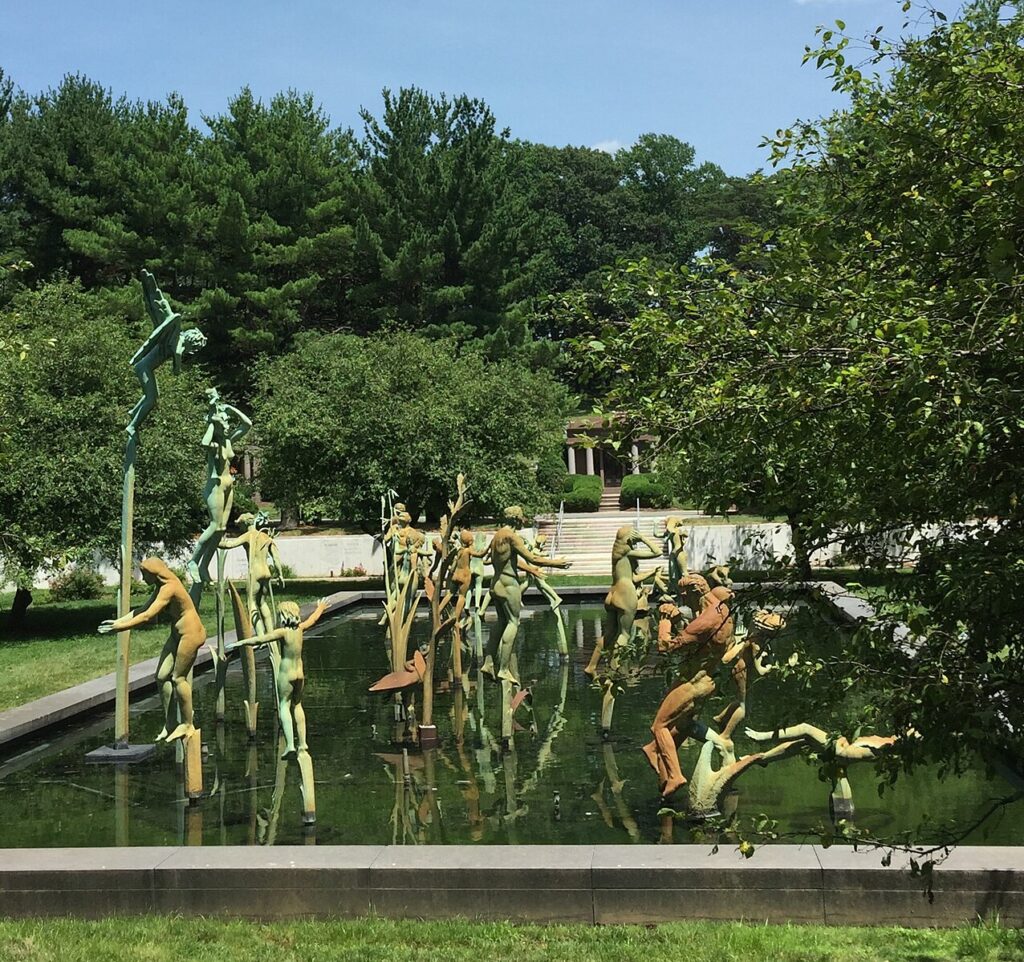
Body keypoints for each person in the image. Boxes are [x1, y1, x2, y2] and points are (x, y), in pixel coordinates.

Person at [99, 557, 206, 743]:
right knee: (161, 676)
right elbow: (142, 609)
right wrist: (118, 622)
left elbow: (148, 616)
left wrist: (121, 629)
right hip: (177, 634)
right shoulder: (161, 586)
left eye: (144, 574)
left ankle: (188, 723)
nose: (142, 578)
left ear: (153, 573)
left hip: (191, 634)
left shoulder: (169, 587)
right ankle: (171, 722)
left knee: (178, 678)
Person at [226, 598, 329, 759]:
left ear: (283, 615)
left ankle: (290, 745)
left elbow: (261, 639)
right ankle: (303, 743)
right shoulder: (300, 629)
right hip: (299, 673)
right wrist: (320, 608)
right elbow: (313, 619)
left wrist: (241, 643)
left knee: (284, 705)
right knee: (298, 705)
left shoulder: (283, 632)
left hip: (286, 674)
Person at [127, 271, 206, 439]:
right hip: (144, 367)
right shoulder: (176, 340)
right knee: (152, 398)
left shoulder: (174, 338)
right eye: (196, 346)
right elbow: (177, 356)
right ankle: (132, 426)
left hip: (145, 368)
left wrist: (150, 285)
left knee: (153, 396)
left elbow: (160, 303)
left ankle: (133, 412)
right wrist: (177, 367)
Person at [187, 389, 252, 585]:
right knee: (214, 525)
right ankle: (193, 561)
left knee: (221, 528)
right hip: (214, 485)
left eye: (226, 422)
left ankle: (204, 565)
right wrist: (212, 423)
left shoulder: (228, 441)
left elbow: (247, 424)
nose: (226, 425)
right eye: (222, 422)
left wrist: (231, 409)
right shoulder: (214, 445)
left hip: (228, 485)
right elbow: (204, 442)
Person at [220, 511, 285, 634]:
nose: (240, 528)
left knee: (251, 604)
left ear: (245, 524)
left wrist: (213, 542)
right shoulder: (266, 537)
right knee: (263, 603)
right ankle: (270, 635)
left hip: (255, 572)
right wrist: (280, 574)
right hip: (266, 572)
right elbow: (276, 558)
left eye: (240, 525)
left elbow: (229, 544)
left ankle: (260, 636)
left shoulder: (248, 535)